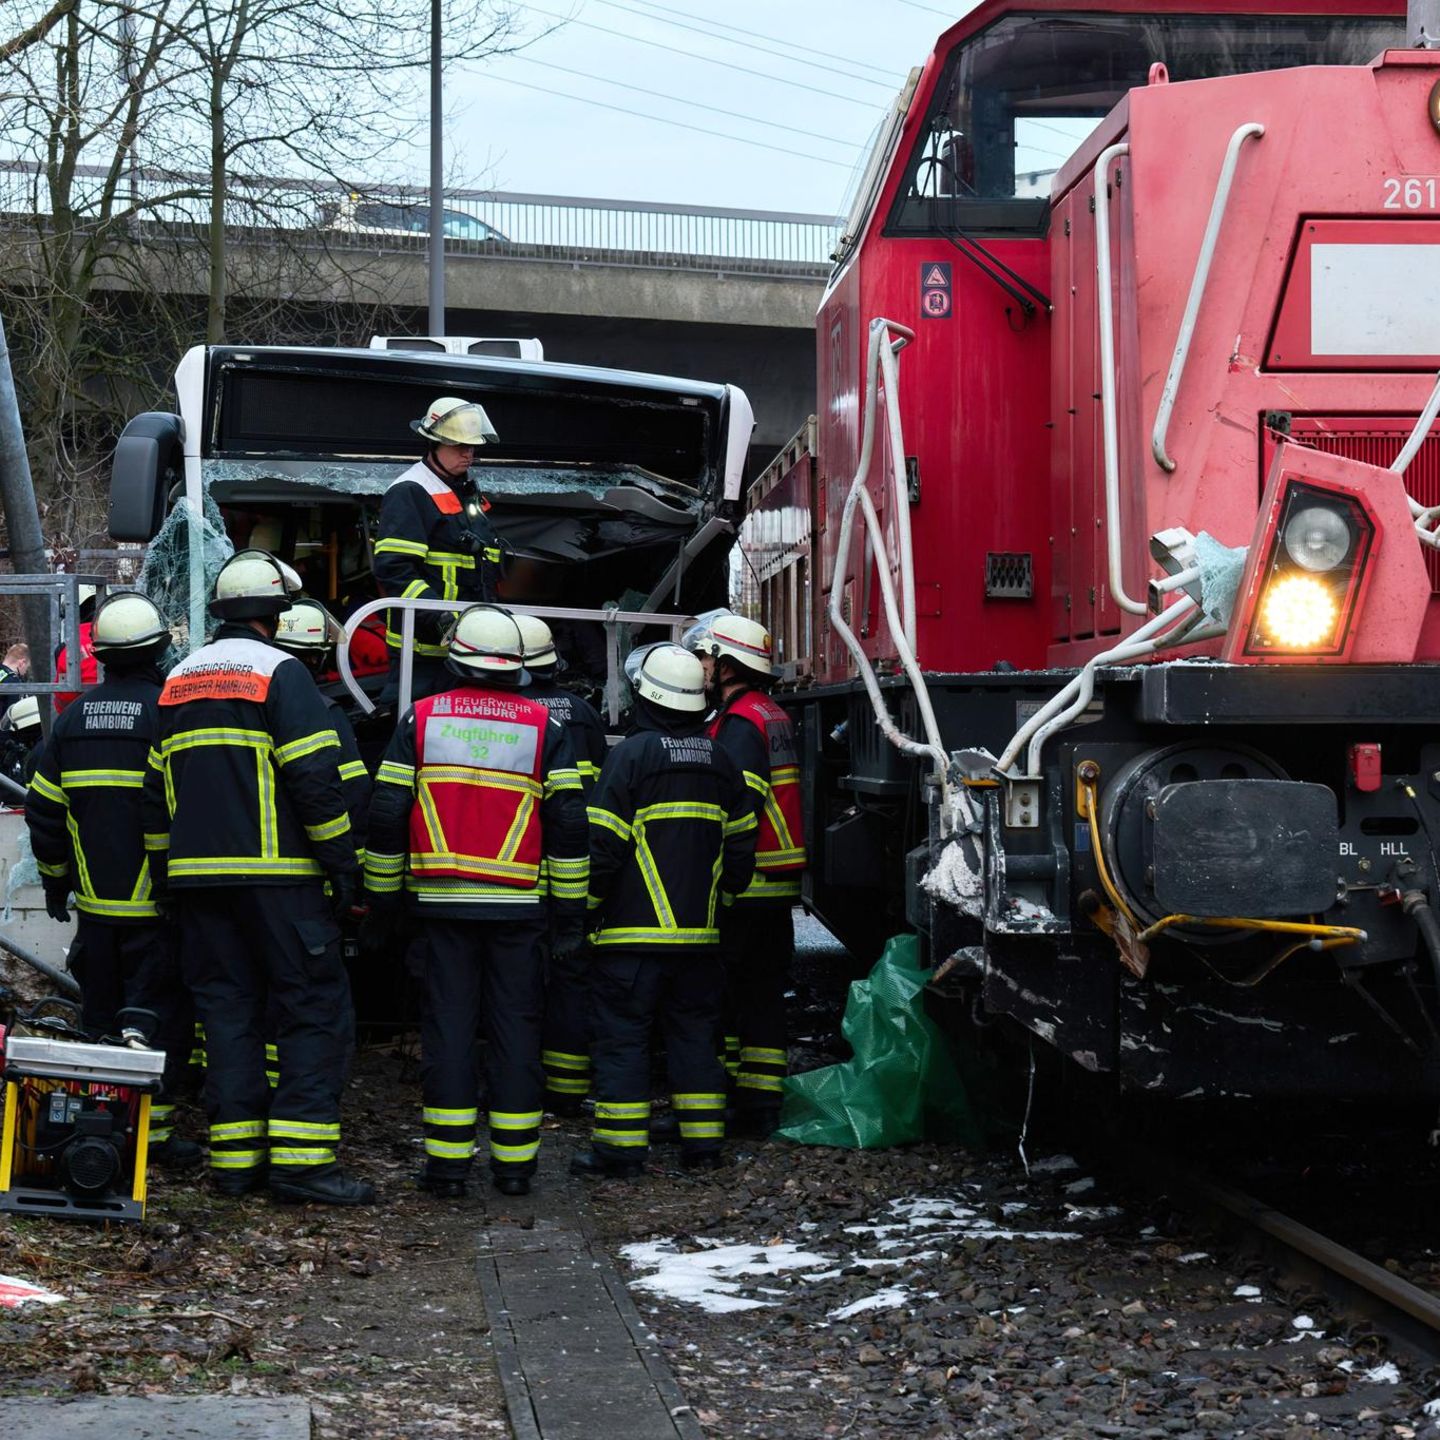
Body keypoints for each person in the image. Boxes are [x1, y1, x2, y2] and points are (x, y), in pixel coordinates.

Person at [142, 549, 371, 1206]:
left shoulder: (178, 678)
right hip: (280, 882)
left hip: (195, 886)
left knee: (227, 1015)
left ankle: (236, 1164)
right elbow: (314, 783)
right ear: (277, 611)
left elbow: (155, 796)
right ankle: (302, 1167)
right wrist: (341, 867)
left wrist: (165, 876)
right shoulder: (283, 673)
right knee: (309, 1010)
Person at [364, 604, 587, 1198]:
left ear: (457, 655)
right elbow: (568, 828)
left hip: (440, 911)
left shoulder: (422, 718)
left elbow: (386, 815)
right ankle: (515, 1169)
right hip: (519, 913)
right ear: (517, 666)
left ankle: (448, 1168)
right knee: (517, 1030)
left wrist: (382, 905)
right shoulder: (546, 728)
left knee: (449, 1032)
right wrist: (569, 917)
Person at [570, 643, 757, 1180]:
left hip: (631, 941)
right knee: (696, 1038)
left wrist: (585, 910)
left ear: (645, 698)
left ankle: (621, 1153)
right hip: (700, 942)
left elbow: (603, 849)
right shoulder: (721, 760)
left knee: (623, 1040)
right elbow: (742, 849)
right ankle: (703, 1147)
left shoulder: (630, 756)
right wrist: (719, 904)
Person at [26, 591, 199, 1167]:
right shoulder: (171, 714)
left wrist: (55, 882)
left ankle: (102, 1132)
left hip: (97, 912)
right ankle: (153, 1139)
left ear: (98, 655)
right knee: (158, 1020)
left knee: (101, 1021)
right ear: (159, 651)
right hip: (160, 908)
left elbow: (45, 812)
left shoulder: (72, 721)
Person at [686, 612, 807, 1137]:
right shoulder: (768, 712)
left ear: (729, 663)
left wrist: (722, 876)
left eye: (708, 657)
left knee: (740, 992)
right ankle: (756, 1095)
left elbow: (738, 803)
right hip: (774, 878)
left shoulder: (739, 723)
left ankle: (750, 1104)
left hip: (750, 878)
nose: (703, 667)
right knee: (758, 992)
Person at [515, 612, 610, 1114]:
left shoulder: (511, 713)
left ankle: (517, 1080)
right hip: (576, 867)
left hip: (519, 868)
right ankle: (569, 1090)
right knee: (572, 976)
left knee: (518, 981)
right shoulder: (583, 712)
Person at [372, 396, 504, 708]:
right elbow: (394, 569)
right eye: (459, 446)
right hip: (423, 652)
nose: (468, 453)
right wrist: (441, 617)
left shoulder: (464, 491)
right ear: (433, 443)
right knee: (413, 731)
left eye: (472, 447)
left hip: (470, 646)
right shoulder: (410, 491)